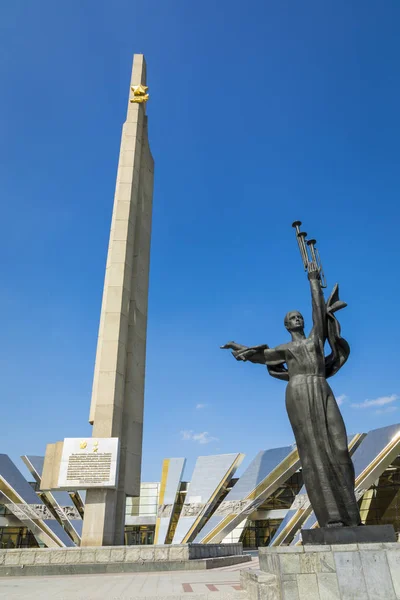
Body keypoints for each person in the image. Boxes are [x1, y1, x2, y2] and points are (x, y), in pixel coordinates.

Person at [222, 263, 360, 528]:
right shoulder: (285, 348)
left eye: (299, 316)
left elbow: (320, 315)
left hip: (320, 387)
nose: (297, 318)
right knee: (313, 451)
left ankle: (352, 516)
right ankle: (331, 517)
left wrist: (313, 280)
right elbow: (260, 356)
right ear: (286, 325)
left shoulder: (314, 341)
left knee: (340, 449)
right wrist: (240, 347)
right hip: (298, 391)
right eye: (292, 317)